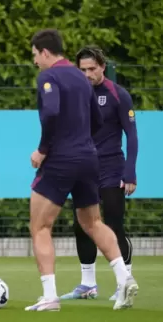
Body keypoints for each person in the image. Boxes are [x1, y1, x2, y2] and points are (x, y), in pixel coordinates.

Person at [24, 29, 138, 312]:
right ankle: (125, 278)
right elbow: (98, 120)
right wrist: (83, 141)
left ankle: (49, 297)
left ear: (45, 52)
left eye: (35, 55)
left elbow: (50, 113)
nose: (35, 61)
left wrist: (43, 150)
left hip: (61, 158)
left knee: (40, 226)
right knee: (93, 223)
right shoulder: (80, 77)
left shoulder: (48, 76)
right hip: (90, 158)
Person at [60, 45, 138, 302]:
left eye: (92, 69)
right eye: (82, 70)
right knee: (81, 226)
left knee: (114, 226)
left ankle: (124, 282)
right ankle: (88, 284)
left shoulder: (118, 95)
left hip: (112, 168)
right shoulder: (74, 95)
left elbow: (132, 135)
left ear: (102, 67)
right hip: (83, 169)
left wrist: (130, 172)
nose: (87, 74)